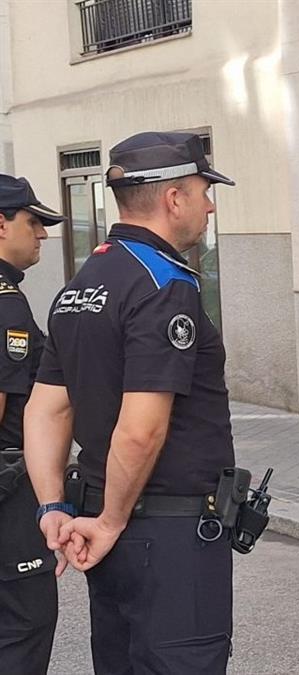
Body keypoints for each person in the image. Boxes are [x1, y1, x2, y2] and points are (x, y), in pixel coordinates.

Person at [23, 131, 238, 672]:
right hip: (164, 534)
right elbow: (141, 428)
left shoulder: (83, 282)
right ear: (174, 198)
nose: (209, 204)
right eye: (203, 190)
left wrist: (53, 507)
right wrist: (114, 520)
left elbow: (46, 408)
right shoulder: (164, 284)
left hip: (103, 519)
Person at [0, 175, 63, 674]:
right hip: (8, 494)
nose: (42, 233)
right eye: (33, 221)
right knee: (24, 626)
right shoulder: (5, 304)